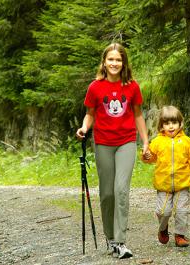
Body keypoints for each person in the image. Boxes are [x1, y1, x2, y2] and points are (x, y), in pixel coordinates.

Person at [76, 43, 149, 259]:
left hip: (126, 141)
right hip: (103, 143)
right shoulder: (95, 87)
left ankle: (120, 241)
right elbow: (90, 114)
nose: (114, 63)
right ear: (104, 62)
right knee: (107, 193)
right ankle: (109, 237)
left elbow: (137, 115)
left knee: (121, 190)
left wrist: (145, 141)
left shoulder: (132, 86)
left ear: (123, 62)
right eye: (111, 59)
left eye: (118, 60)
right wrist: (84, 128)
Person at [141, 105, 190, 247]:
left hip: (182, 183)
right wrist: (146, 155)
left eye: (174, 123)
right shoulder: (158, 142)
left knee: (182, 210)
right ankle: (163, 229)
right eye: (167, 123)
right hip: (163, 184)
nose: (171, 126)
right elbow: (150, 158)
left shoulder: (186, 141)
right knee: (163, 211)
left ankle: (180, 235)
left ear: (180, 124)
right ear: (161, 126)